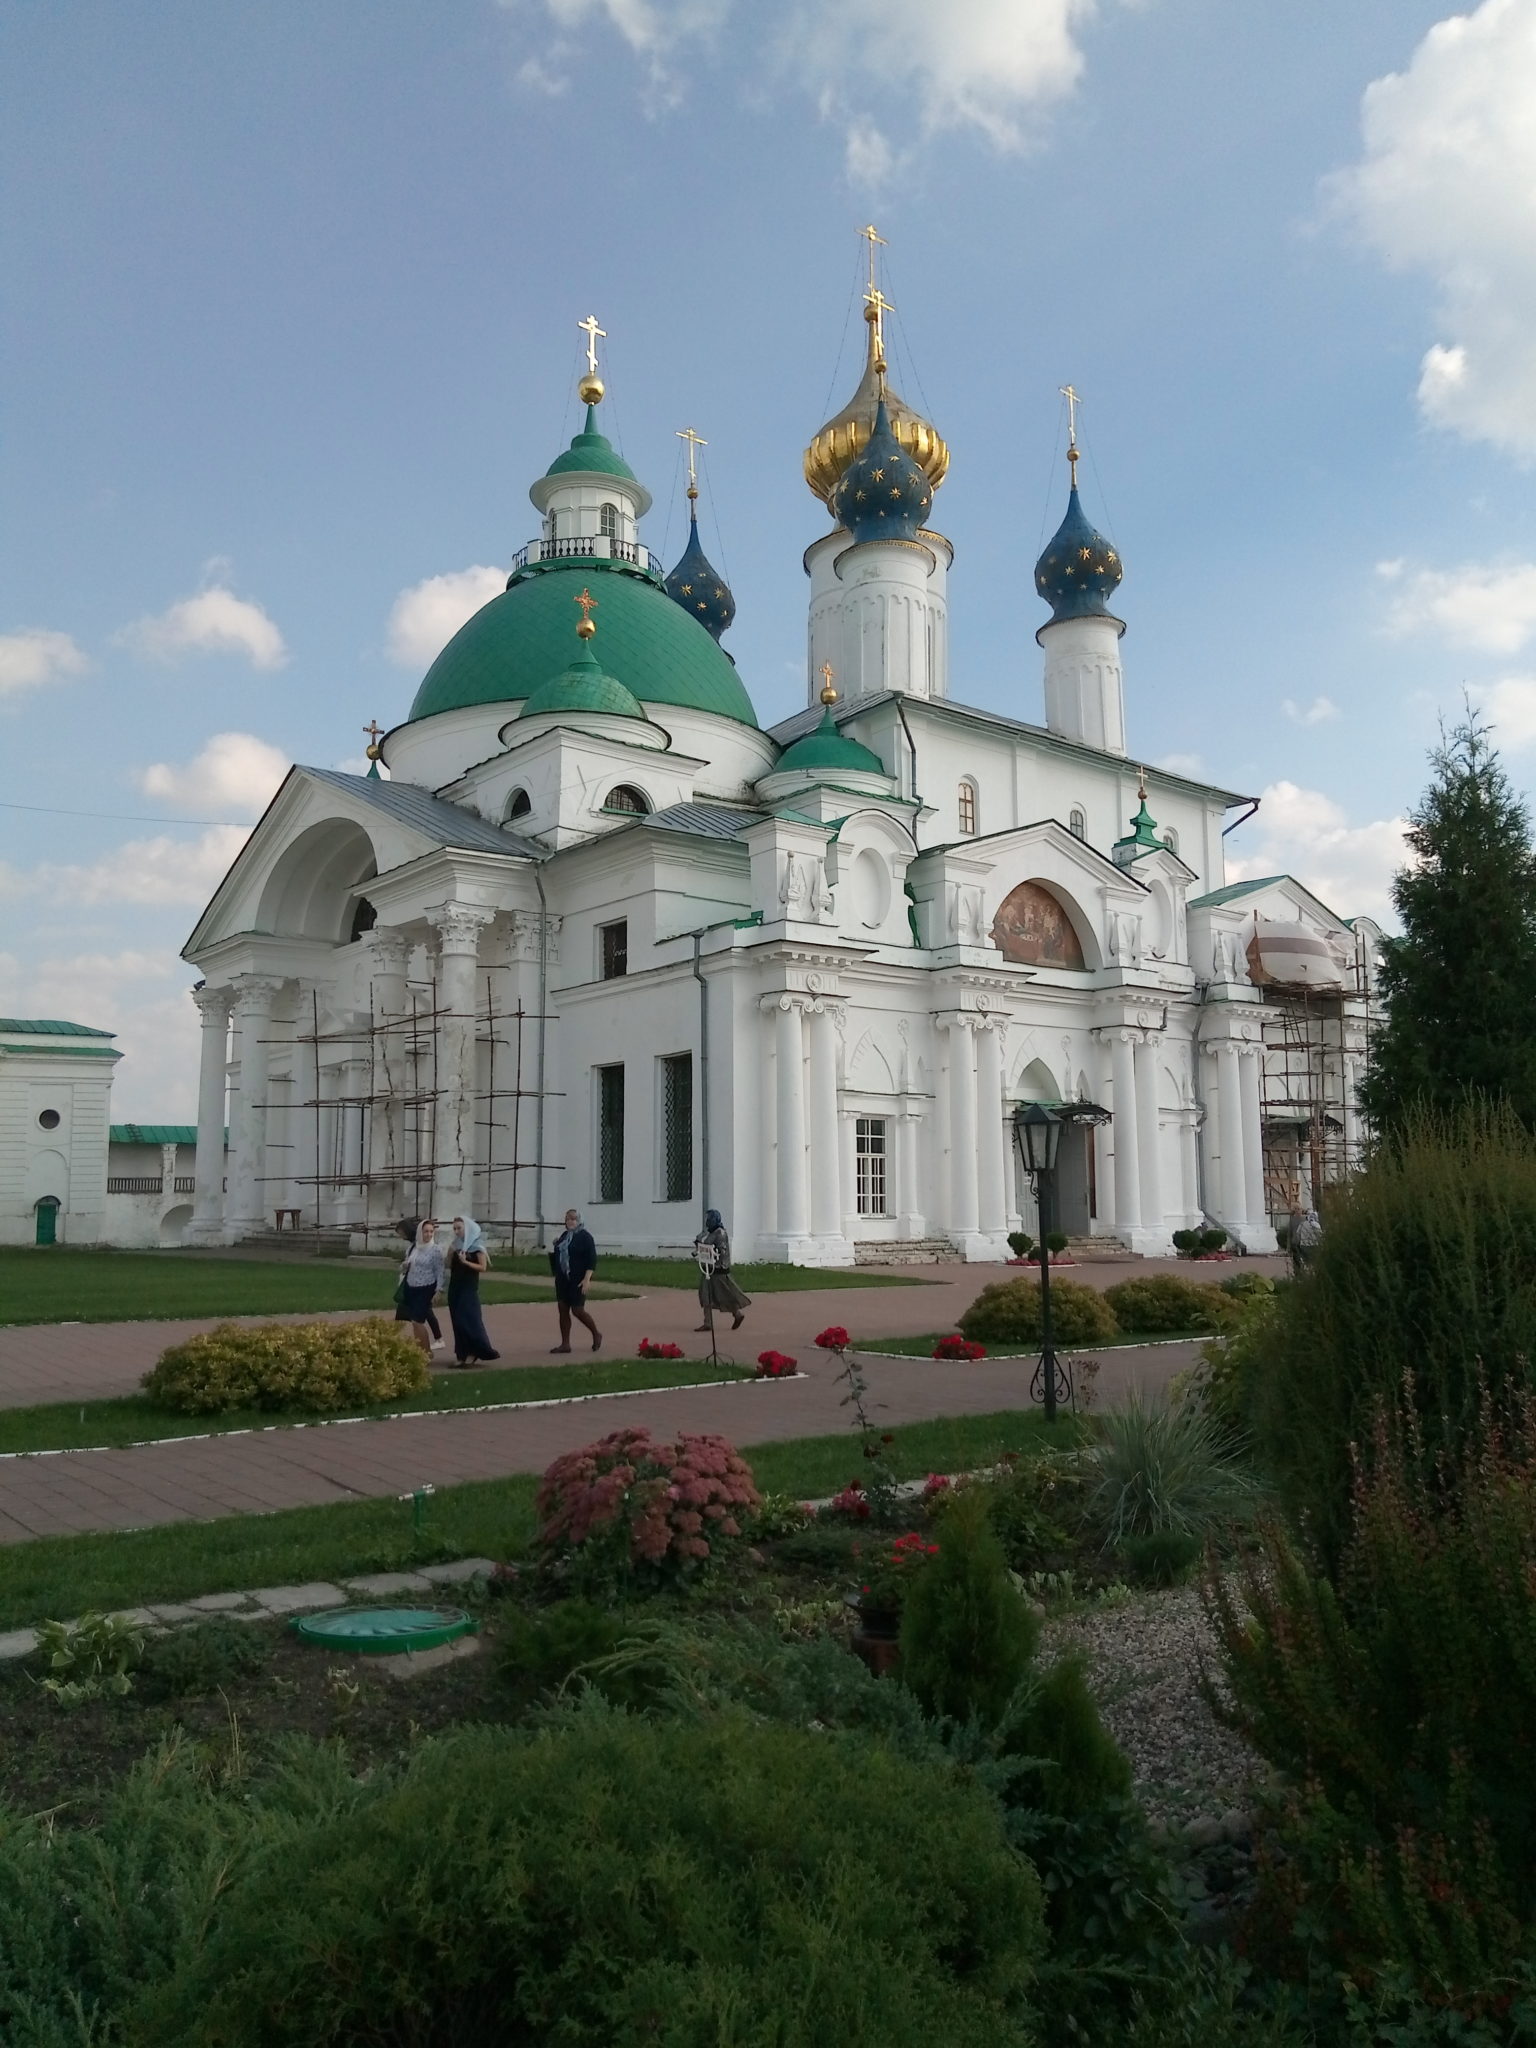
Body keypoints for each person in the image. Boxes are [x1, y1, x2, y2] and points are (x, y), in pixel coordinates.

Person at [446, 1214, 500, 1366]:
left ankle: (475, 1351)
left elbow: (482, 1267)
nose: (457, 1231)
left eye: (459, 1228)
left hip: (468, 1287)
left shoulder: (477, 1246)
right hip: (455, 1286)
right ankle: (461, 1354)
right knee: (457, 1321)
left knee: (468, 1319)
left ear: (467, 1228)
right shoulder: (456, 1244)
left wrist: (466, 1262)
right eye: (454, 1229)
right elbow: (448, 1265)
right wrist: (449, 1254)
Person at [548, 1208, 601, 1354]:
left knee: (577, 1310)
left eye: (573, 1219)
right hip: (563, 1279)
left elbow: (592, 1259)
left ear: (579, 1221)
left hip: (578, 1279)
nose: (570, 1222)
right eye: (567, 1219)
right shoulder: (565, 1236)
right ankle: (565, 1344)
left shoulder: (585, 1237)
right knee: (563, 1309)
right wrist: (556, 1245)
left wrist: (587, 1279)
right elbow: (560, 1254)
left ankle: (596, 1333)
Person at [694, 1209, 751, 1332]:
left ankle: (737, 1314)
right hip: (708, 1269)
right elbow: (704, 1247)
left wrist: (713, 1255)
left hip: (718, 1271)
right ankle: (708, 1322)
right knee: (705, 1295)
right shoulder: (709, 1233)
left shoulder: (720, 1233)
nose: (707, 1222)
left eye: (709, 1219)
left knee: (724, 1296)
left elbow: (721, 1252)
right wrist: (699, 1244)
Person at [395, 1216, 446, 1349]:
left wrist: (439, 1290)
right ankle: (420, 1349)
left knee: (418, 1321)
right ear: (420, 1233)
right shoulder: (413, 1248)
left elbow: (440, 1271)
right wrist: (404, 1266)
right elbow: (407, 1265)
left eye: (431, 1231)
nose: (428, 1234)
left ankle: (427, 1350)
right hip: (411, 1287)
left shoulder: (435, 1250)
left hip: (426, 1288)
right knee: (414, 1321)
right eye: (426, 1231)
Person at [1292, 1206, 1323, 1275]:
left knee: (1306, 1262)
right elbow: (1320, 1235)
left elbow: (1297, 1234)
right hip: (1314, 1246)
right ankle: (1312, 1274)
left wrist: (1300, 1242)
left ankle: (1307, 1272)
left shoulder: (1302, 1223)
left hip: (1304, 1246)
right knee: (1314, 1262)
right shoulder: (1316, 1225)